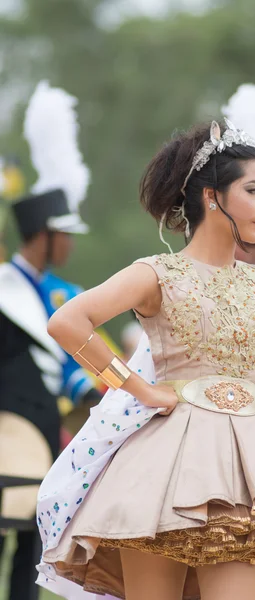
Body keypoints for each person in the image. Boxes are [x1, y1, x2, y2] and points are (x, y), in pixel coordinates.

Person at [38, 118, 255, 600]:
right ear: (212, 197)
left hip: (250, 467)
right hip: (161, 465)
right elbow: (67, 321)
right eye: (253, 190)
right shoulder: (158, 273)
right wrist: (139, 388)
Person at [0, 81, 100, 600]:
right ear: (44, 234)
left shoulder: (65, 293)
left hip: (45, 427)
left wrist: (94, 391)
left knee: (33, 542)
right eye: (66, 233)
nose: (70, 243)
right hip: (3, 426)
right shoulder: (4, 290)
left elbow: (70, 361)